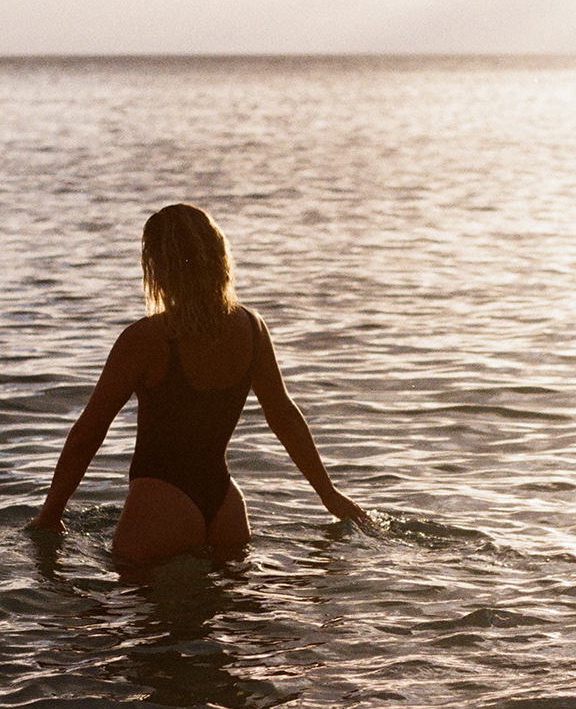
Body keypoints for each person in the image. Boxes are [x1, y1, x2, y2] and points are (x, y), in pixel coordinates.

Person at [29, 203, 368, 562]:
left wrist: (51, 514)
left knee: (137, 608)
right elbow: (284, 416)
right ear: (218, 258)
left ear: (159, 269)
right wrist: (329, 495)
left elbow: (88, 432)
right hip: (227, 510)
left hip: (159, 507)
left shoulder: (145, 339)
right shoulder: (252, 329)